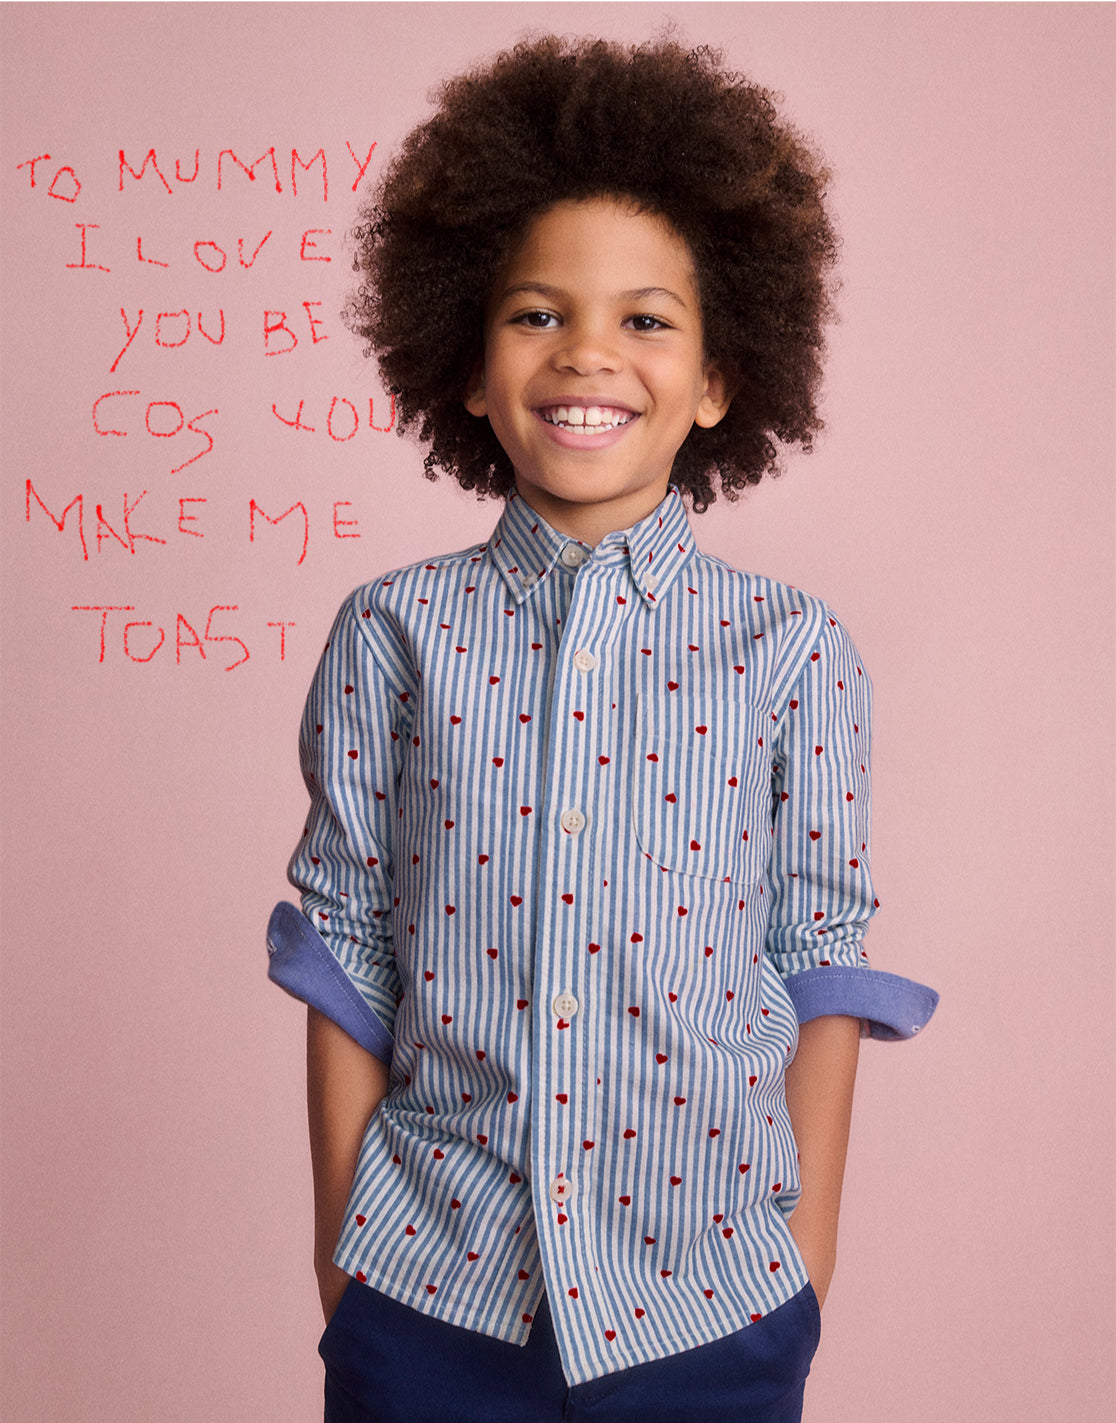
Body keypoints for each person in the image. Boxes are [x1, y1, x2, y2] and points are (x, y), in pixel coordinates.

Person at [266, 35, 938, 1422]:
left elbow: (815, 964)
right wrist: (349, 1269)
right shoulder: (394, 635)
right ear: (461, 361)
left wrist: (801, 1266)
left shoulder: (793, 653)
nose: (586, 354)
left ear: (717, 381)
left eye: (646, 321)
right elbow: (348, 951)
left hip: (710, 1313)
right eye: (533, 314)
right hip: (430, 1297)